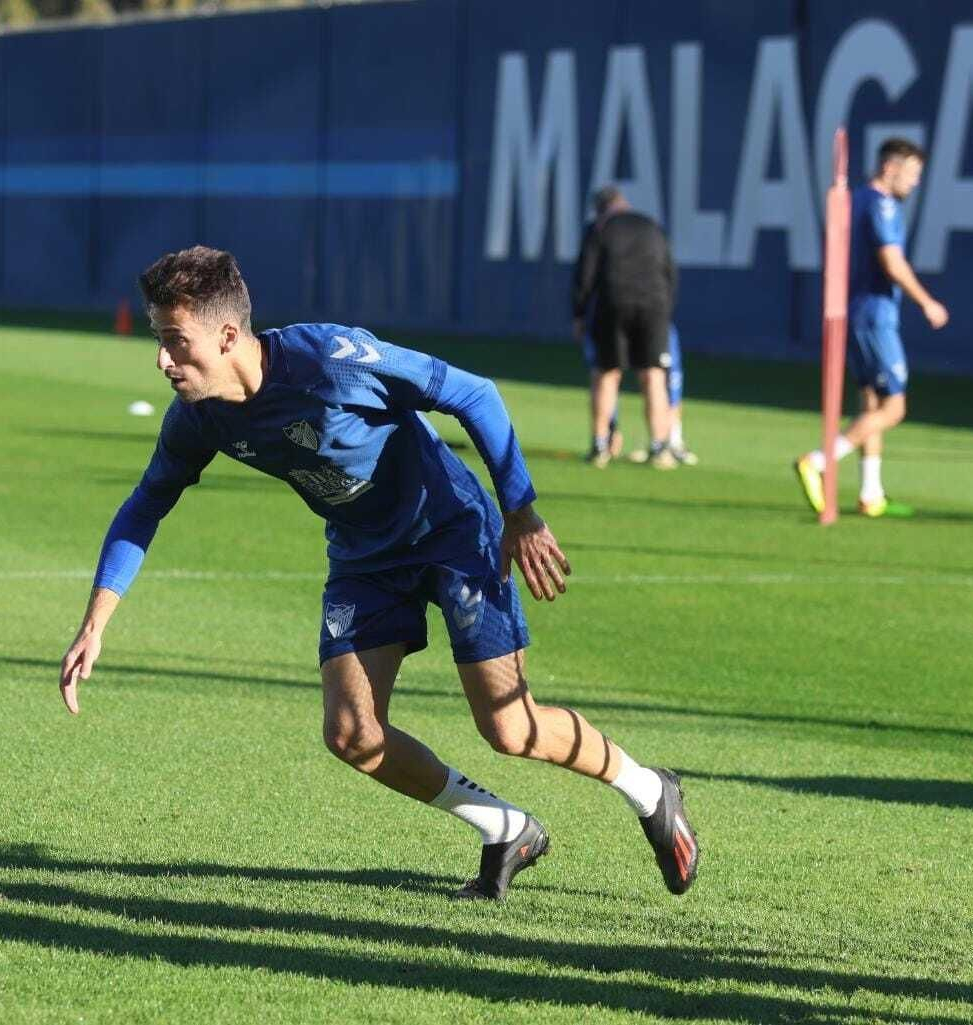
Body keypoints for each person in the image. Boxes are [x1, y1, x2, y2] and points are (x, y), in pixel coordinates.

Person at [59, 246, 700, 900]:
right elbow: (146, 505)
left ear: (227, 336)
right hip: (366, 555)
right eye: (158, 339)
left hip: (451, 528)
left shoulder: (330, 361)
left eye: (175, 341)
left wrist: (521, 511)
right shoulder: (198, 418)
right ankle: (506, 827)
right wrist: (95, 624)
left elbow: (471, 393)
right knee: (351, 733)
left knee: (509, 727)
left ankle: (650, 789)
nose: (163, 360)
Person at [793, 138, 948, 518]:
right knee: (894, 408)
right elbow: (891, 262)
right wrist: (926, 301)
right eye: (911, 174)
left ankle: (870, 493)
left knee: (871, 403)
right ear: (890, 168)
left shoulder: (856, 199)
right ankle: (818, 461)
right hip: (875, 315)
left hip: (854, 311)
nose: (914, 184)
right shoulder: (882, 205)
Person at [572, 185, 680, 469]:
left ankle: (600, 446)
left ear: (599, 209)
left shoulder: (600, 228)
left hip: (613, 303)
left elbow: (585, 274)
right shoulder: (652, 226)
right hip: (654, 305)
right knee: (654, 376)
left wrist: (580, 314)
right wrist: (665, 309)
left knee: (606, 375)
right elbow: (670, 271)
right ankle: (660, 447)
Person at [585, 321, 697, 466]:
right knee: (616, 372)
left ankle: (670, 441)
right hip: (634, 309)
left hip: (642, 309)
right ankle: (608, 439)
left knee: (652, 373)